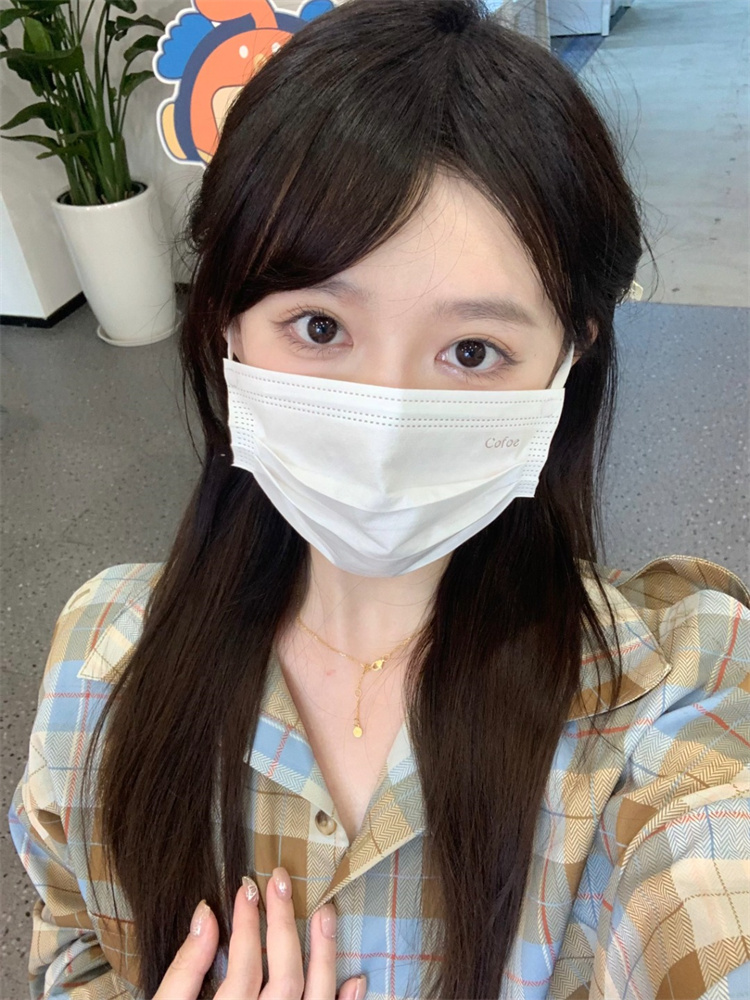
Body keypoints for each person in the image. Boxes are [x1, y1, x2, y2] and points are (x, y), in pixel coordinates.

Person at [9, 0, 750, 998]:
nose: (386, 418)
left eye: (473, 351)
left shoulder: (675, 686)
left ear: (567, 360)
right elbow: (79, 945)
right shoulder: (98, 663)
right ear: (227, 326)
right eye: (320, 327)